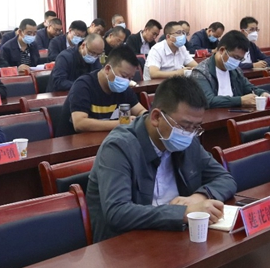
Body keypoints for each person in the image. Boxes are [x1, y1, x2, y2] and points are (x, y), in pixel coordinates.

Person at [85, 76, 237, 242]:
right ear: (156, 117)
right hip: (128, 244)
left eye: (196, 127)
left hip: (176, 236)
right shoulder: (118, 147)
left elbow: (225, 179)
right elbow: (117, 212)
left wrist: (198, 198)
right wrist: (184, 213)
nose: (189, 133)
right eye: (184, 126)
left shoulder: (189, 140)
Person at [63, 45, 146, 133]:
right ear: (107, 69)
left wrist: (145, 117)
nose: (126, 81)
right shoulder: (83, 85)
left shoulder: (123, 89)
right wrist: (121, 123)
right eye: (124, 76)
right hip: (75, 140)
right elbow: (79, 123)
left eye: (130, 78)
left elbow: (141, 111)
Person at [191, 30, 269, 108]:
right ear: (222, 50)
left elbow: (249, 87)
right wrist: (240, 100)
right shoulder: (201, 72)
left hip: (235, 112)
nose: (237, 62)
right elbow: (208, 100)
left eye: (240, 59)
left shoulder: (235, 70)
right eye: (235, 57)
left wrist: (262, 93)